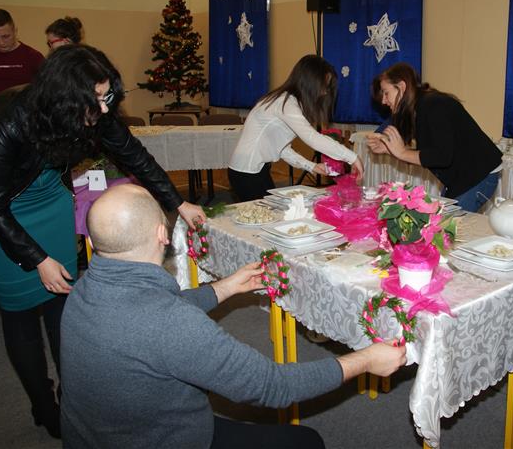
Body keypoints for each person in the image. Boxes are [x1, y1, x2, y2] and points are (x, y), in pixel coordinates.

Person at [0, 44, 205, 439]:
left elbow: (134, 155)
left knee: (62, 303)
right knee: (21, 313)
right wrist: (38, 258)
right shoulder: (9, 119)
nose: (103, 108)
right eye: (94, 99)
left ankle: (73, 397)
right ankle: (43, 406)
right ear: (64, 97)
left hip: (47, 199)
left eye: (106, 96)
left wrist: (178, 202)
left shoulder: (96, 113)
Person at [61, 183, 406, 448]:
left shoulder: (83, 292)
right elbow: (272, 386)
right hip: (163, 439)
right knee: (307, 442)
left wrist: (224, 288)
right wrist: (365, 360)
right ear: (162, 235)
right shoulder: (172, 324)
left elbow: (156, 312)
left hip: (99, 437)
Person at [366, 62, 503, 212]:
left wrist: (402, 152)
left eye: (386, 93)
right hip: (464, 177)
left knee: (449, 223)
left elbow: (441, 157)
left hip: (479, 175)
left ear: (402, 87)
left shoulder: (433, 105)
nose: (383, 101)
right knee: (442, 220)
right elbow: (430, 154)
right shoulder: (421, 106)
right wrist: (390, 150)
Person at [228, 54, 363, 201]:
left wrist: (311, 166)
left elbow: (281, 148)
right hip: (246, 172)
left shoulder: (285, 101)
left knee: (272, 210)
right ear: (310, 81)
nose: (325, 92)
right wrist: (352, 157)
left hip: (252, 170)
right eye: (323, 86)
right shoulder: (285, 103)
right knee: (268, 212)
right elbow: (312, 138)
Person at [0, 8, 44, 107]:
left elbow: (46, 95)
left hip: (24, 115)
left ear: (15, 31)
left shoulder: (34, 57)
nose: (1, 42)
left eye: (6, 36)